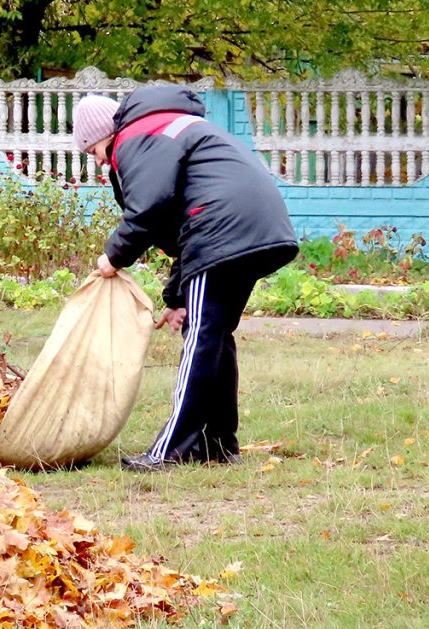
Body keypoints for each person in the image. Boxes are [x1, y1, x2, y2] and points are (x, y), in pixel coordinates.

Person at [72, 86, 298, 471]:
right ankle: (218, 444)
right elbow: (177, 223)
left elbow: (148, 210)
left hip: (222, 227)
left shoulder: (136, 137)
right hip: (255, 226)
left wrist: (113, 257)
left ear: (105, 135)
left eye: (92, 152)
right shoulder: (168, 127)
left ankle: (169, 450)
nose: (97, 163)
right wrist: (177, 297)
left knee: (201, 337)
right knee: (212, 334)